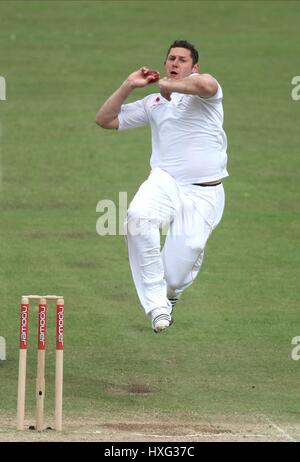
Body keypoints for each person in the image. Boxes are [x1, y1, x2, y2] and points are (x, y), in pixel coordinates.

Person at [96, 40, 228, 333]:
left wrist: (172, 87)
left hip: (204, 191)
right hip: (165, 181)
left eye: (182, 60)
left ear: (194, 67)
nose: (175, 63)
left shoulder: (206, 94)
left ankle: (170, 294)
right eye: (171, 58)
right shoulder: (153, 102)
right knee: (138, 216)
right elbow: (105, 120)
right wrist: (129, 85)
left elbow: (207, 85)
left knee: (177, 273)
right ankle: (157, 306)